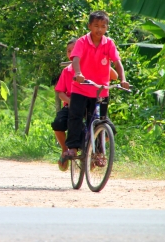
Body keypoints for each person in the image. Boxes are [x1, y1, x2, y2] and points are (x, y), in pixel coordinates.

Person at [63, 11, 129, 164]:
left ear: (106, 27)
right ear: (90, 26)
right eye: (96, 26)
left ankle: (98, 154)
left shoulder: (109, 43)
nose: (100, 29)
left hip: (101, 90)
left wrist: (123, 79)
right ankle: (72, 147)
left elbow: (117, 63)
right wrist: (78, 73)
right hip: (81, 88)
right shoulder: (81, 42)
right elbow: (76, 59)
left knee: (101, 121)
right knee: (76, 116)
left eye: (103, 26)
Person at [52, 38, 118, 171]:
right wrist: (71, 102)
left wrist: (103, 62)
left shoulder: (94, 65)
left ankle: (95, 151)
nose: (71, 54)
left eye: (74, 50)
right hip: (74, 103)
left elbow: (114, 76)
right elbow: (61, 92)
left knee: (109, 128)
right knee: (58, 123)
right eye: (68, 51)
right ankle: (66, 150)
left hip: (92, 101)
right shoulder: (68, 70)